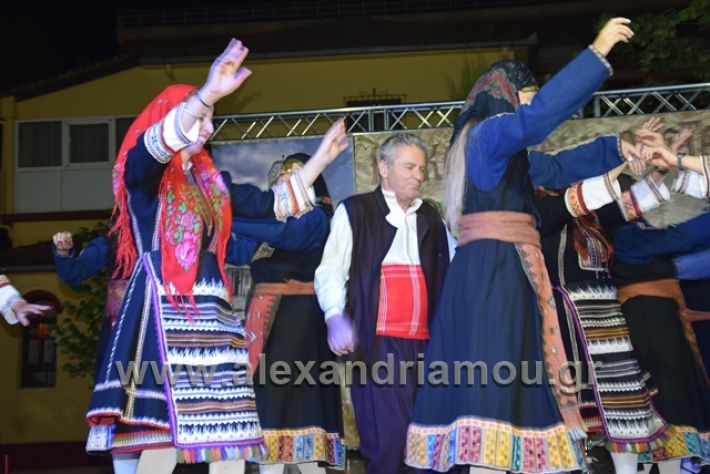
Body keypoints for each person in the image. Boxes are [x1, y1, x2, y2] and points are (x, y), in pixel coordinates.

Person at [85, 38, 346, 474]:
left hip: (210, 310)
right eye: (201, 118)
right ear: (172, 120)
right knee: (152, 428)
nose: (207, 128)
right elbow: (153, 149)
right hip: (161, 308)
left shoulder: (211, 183)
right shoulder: (144, 176)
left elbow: (272, 204)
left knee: (223, 430)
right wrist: (206, 94)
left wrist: (319, 159)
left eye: (210, 120)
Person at [405, 18, 634, 473]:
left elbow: (559, 167)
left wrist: (621, 149)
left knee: (512, 394)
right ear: (506, 96)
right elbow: (536, 120)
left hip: (504, 275)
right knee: (492, 395)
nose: (530, 106)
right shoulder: (486, 137)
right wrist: (596, 53)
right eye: (527, 97)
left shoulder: (507, 157)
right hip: (494, 278)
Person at [315, 131, 453, 473]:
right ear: (383, 168)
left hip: (427, 347)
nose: (418, 175)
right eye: (409, 167)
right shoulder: (356, 211)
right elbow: (331, 270)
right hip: (378, 347)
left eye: (421, 168)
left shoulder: (431, 217)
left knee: (430, 445)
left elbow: (453, 269)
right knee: (388, 444)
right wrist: (334, 316)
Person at [236, 154, 345, 473]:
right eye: (283, 177)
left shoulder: (318, 218)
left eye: (298, 174)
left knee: (300, 410)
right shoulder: (269, 226)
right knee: (268, 409)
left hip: (301, 323)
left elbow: (288, 236)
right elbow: (238, 251)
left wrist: (230, 220)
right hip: (264, 324)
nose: (289, 180)